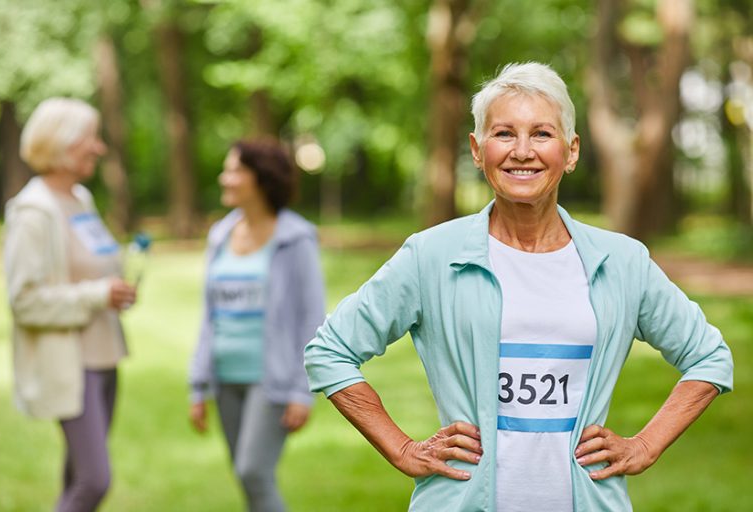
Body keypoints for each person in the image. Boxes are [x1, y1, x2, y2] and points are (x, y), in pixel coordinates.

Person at [304, 62, 734, 511]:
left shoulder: (622, 262)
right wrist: (402, 447)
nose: (522, 151)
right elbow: (330, 351)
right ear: (477, 149)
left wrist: (645, 445)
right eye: (504, 134)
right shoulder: (431, 256)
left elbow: (709, 357)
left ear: (571, 151)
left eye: (542, 134)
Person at [2, 98, 137, 512]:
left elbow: (90, 264)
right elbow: (23, 301)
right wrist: (97, 295)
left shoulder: (80, 198)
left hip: (104, 358)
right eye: (89, 140)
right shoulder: (33, 212)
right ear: (60, 145)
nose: (99, 148)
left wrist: (116, 286)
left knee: (76, 477)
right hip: (72, 366)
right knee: (95, 481)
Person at [189, 139, 325, 512]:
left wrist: (303, 390)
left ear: (261, 179)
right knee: (248, 478)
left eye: (234, 170)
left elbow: (312, 318)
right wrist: (198, 383)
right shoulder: (219, 236)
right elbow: (209, 316)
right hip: (224, 378)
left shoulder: (296, 239)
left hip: (272, 381)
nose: (224, 177)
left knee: (253, 473)